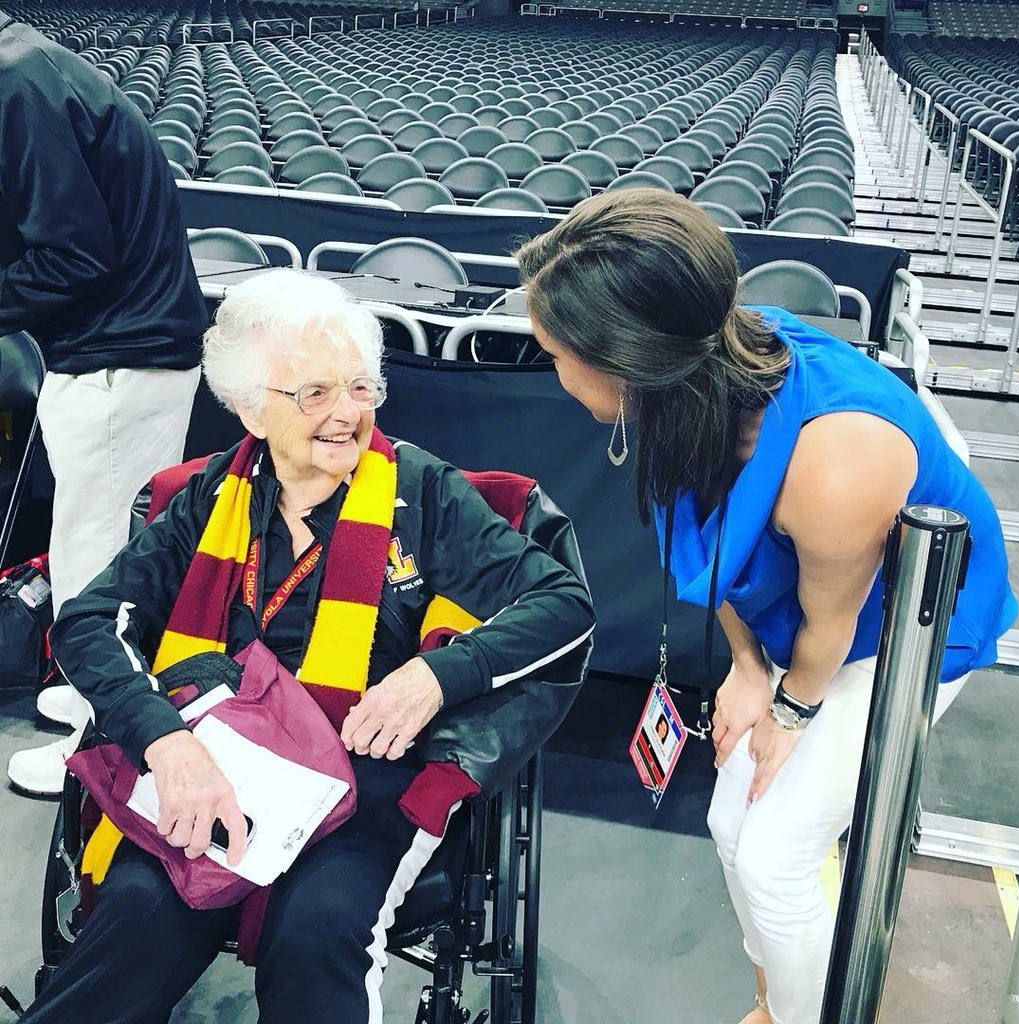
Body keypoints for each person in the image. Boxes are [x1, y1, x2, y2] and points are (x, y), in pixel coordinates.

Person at [21, 269, 594, 1023]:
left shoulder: (421, 493)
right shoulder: (209, 498)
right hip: (215, 763)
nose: (347, 415)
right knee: (134, 916)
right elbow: (90, 623)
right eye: (314, 393)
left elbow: (563, 605)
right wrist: (166, 743)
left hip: (365, 775)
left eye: (361, 388)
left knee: (316, 934)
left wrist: (436, 675)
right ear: (249, 410)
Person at [515, 189, 1018, 1024]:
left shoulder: (838, 459)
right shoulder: (697, 377)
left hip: (901, 630)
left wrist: (788, 704)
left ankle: (806, 1014)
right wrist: (747, 667)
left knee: (776, 857)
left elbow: (836, 622)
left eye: (555, 353)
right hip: (809, 615)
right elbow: (716, 545)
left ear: (623, 359)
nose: (551, 370)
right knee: (730, 820)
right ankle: (778, 1000)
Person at [0, 9, 208, 794]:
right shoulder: (25, 66)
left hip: (123, 357)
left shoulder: (16, 85)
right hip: (108, 351)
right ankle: (95, 693)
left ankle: (100, 745)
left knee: (100, 564)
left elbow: (74, 254)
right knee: (82, 537)